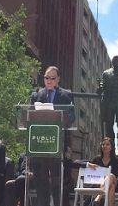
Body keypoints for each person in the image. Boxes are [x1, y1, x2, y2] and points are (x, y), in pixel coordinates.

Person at [29, 66, 75, 206]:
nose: (49, 80)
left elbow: (72, 116)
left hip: (57, 144)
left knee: (57, 182)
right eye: (46, 78)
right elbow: (29, 116)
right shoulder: (36, 95)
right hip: (39, 145)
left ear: (58, 79)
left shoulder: (66, 95)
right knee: (40, 181)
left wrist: (59, 117)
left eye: (52, 78)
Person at [72, 137, 118, 206]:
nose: (104, 146)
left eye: (107, 144)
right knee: (111, 187)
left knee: (110, 176)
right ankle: (98, 199)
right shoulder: (96, 159)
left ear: (112, 147)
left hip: (114, 185)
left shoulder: (117, 161)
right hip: (100, 185)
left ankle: (97, 198)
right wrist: (88, 164)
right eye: (103, 144)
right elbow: (75, 163)